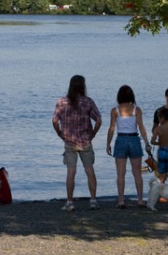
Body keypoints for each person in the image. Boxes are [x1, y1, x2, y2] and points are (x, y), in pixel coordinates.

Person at [52, 75, 102, 212]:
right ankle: (93, 201)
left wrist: (59, 133)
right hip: (85, 141)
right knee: (89, 170)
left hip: (69, 142)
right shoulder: (88, 102)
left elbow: (55, 121)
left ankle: (69, 202)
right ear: (83, 86)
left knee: (71, 172)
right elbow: (98, 120)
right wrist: (93, 134)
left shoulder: (61, 102)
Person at [107, 85, 152, 208]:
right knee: (137, 173)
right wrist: (146, 143)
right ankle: (140, 200)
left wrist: (108, 143)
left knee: (120, 173)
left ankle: (121, 201)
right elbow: (141, 127)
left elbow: (111, 129)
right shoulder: (136, 109)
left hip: (121, 139)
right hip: (134, 139)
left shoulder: (115, 110)